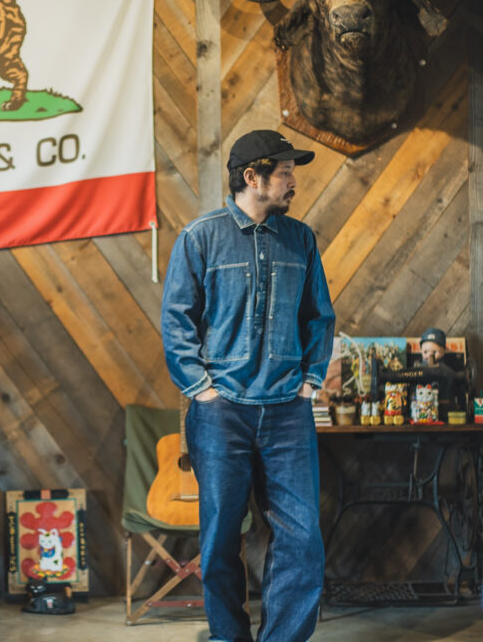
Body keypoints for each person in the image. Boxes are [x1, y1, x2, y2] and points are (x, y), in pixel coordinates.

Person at [161, 130, 336, 642]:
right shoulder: (200, 237)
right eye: (285, 172)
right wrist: (202, 389)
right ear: (252, 177)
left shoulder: (300, 239)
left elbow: (319, 317)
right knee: (219, 540)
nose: (293, 182)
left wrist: (309, 382)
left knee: (302, 539)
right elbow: (176, 321)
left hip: (287, 412)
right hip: (222, 413)